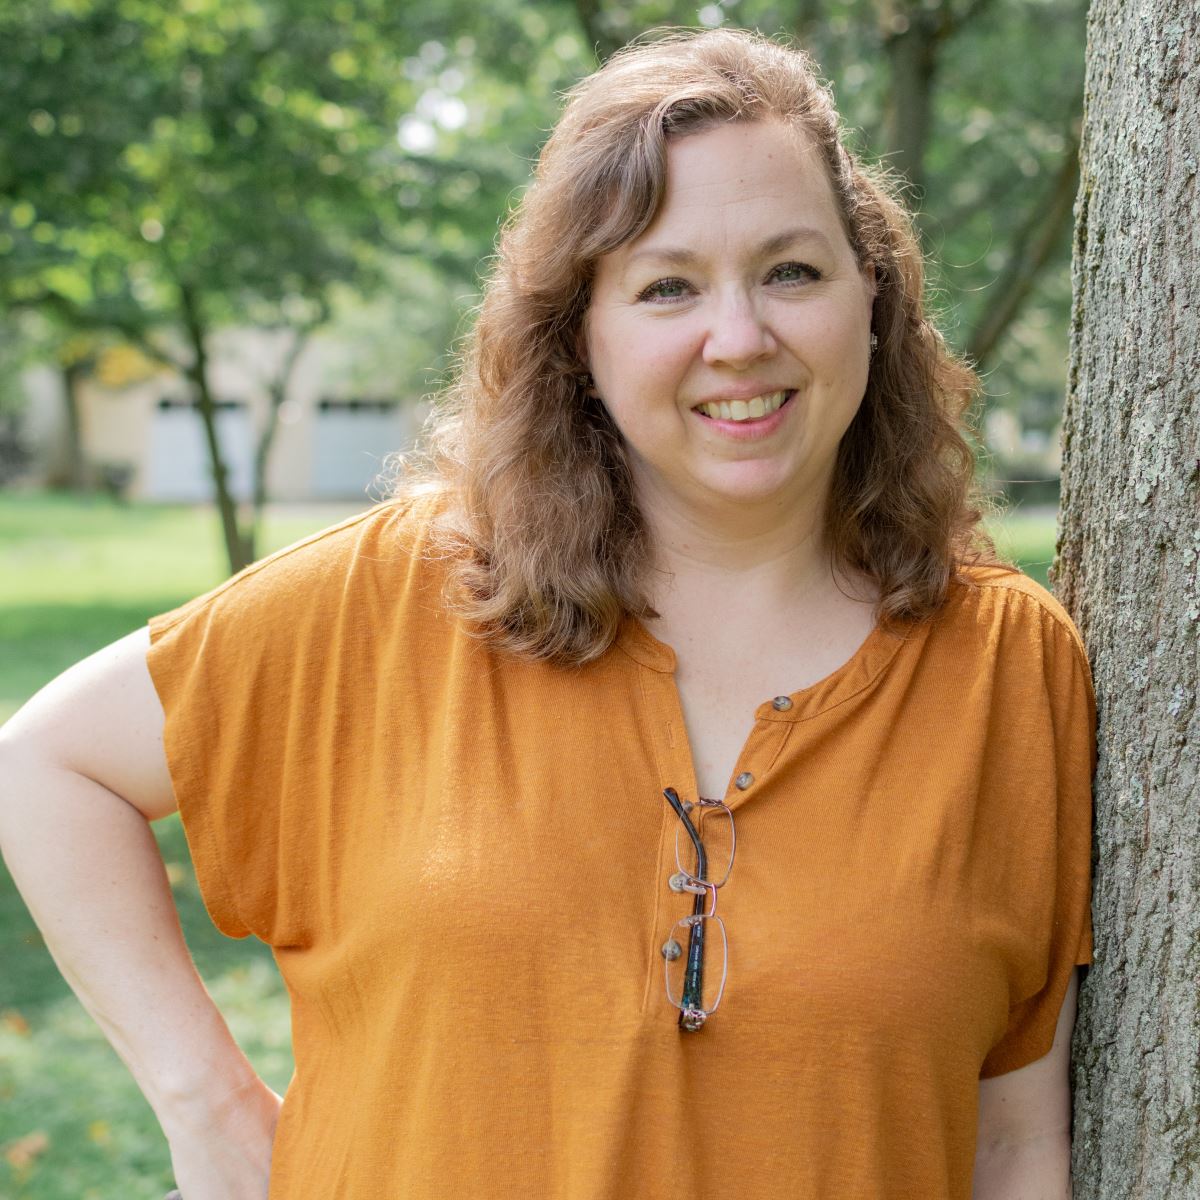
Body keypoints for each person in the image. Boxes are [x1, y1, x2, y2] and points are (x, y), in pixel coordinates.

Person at [0, 25, 1095, 1200]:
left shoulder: (1007, 669)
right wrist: (208, 1107)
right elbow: (46, 769)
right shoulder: (391, 601)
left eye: (791, 270)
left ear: (869, 295)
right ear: (583, 333)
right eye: (667, 286)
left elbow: (1012, 1141)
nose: (740, 339)